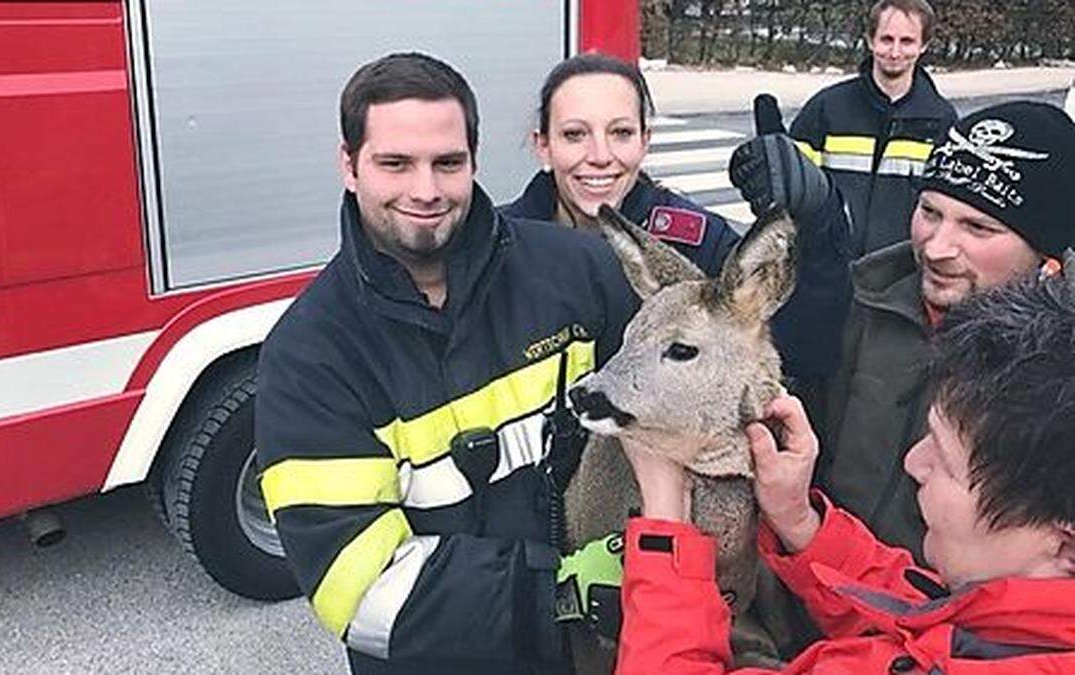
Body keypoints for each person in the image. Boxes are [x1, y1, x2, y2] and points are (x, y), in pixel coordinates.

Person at [254, 52, 643, 674]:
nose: (426, 190)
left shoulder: (581, 272)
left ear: (475, 161)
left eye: (447, 163)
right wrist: (564, 592)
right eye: (395, 164)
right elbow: (359, 590)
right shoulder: (308, 358)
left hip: (593, 652)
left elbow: (659, 419)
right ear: (349, 166)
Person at [615, 271, 1075, 672]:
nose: (914, 463)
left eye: (947, 465)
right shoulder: (1022, 629)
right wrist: (801, 523)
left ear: (1063, 545)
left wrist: (664, 520)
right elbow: (928, 614)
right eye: (927, 436)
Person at [809, 101, 1075, 563]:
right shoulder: (863, 300)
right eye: (930, 211)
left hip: (954, 627)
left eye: (977, 226)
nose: (936, 247)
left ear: (1047, 256)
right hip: (817, 598)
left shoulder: (1059, 381)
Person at [502, 53, 853, 382]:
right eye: (574, 135)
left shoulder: (698, 244)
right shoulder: (500, 248)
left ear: (645, 140)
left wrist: (817, 222)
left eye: (620, 133)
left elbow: (805, 350)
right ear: (543, 145)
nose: (600, 155)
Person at [790, 0, 957, 256]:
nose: (895, 51)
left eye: (907, 41)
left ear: (923, 45)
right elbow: (794, 189)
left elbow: (945, 211)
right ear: (870, 40)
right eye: (886, 39)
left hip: (896, 276)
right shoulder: (826, 108)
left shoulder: (941, 121)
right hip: (826, 266)